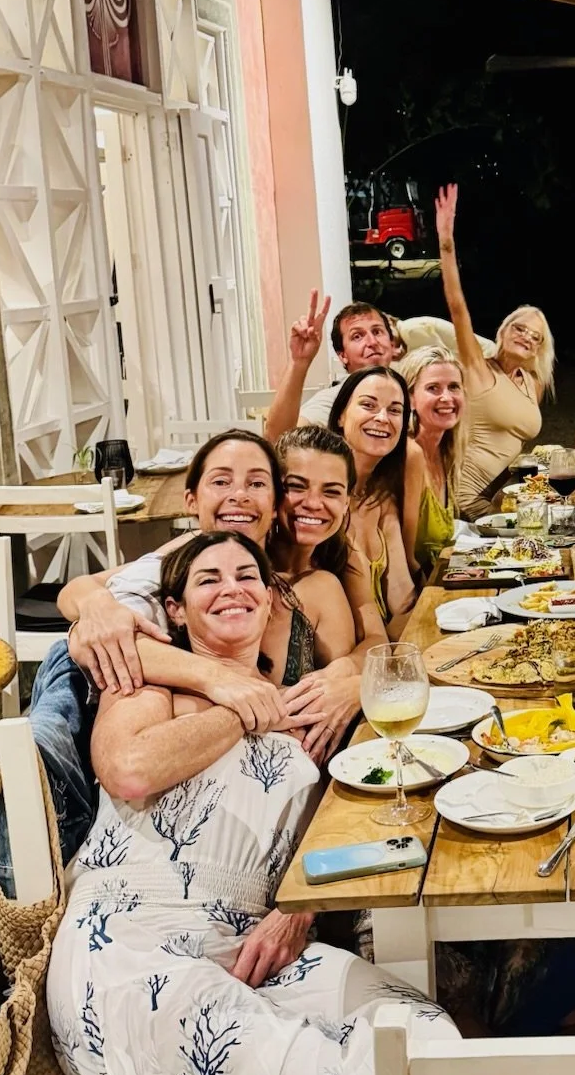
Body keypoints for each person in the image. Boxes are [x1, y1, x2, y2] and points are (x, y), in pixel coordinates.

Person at [49, 531, 489, 1075]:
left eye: (248, 574)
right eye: (206, 579)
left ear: (273, 602)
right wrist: (242, 706)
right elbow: (128, 772)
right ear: (174, 611)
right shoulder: (152, 686)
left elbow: (324, 838)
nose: (231, 587)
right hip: (134, 949)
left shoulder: (306, 713)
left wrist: (302, 905)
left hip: (249, 945)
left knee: (431, 1045)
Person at [58, 430, 362, 762]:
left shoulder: (318, 585)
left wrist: (355, 683)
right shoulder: (178, 563)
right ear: (191, 501)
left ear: (274, 504)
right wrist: (95, 603)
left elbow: (347, 690)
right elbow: (82, 597)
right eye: (221, 482)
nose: (239, 496)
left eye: (256, 484)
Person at [434, 184, 552, 511]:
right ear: (503, 331)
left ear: (538, 350)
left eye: (536, 337)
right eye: (520, 328)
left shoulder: (531, 383)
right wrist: (446, 240)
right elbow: (457, 307)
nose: (527, 336)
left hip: (505, 493)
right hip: (469, 495)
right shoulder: (478, 368)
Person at [327, 366, 419, 638]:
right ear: (342, 415)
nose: (382, 418)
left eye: (394, 410)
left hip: (381, 648)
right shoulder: (322, 501)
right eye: (368, 405)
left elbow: (402, 596)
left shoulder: (379, 495)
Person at [265, 292, 401, 440]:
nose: (372, 342)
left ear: (392, 344)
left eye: (377, 331)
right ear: (343, 355)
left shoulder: (410, 386)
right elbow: (277, 439)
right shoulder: (335, 398)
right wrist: (299, 362)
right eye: (357, 336)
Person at [403, 344, 467, 579]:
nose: (447, 397)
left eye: (454, 387)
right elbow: (406, 558)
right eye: (433, 388)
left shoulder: (446, 451)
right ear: (410, 398)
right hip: (419, 590)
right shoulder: (411, 454)